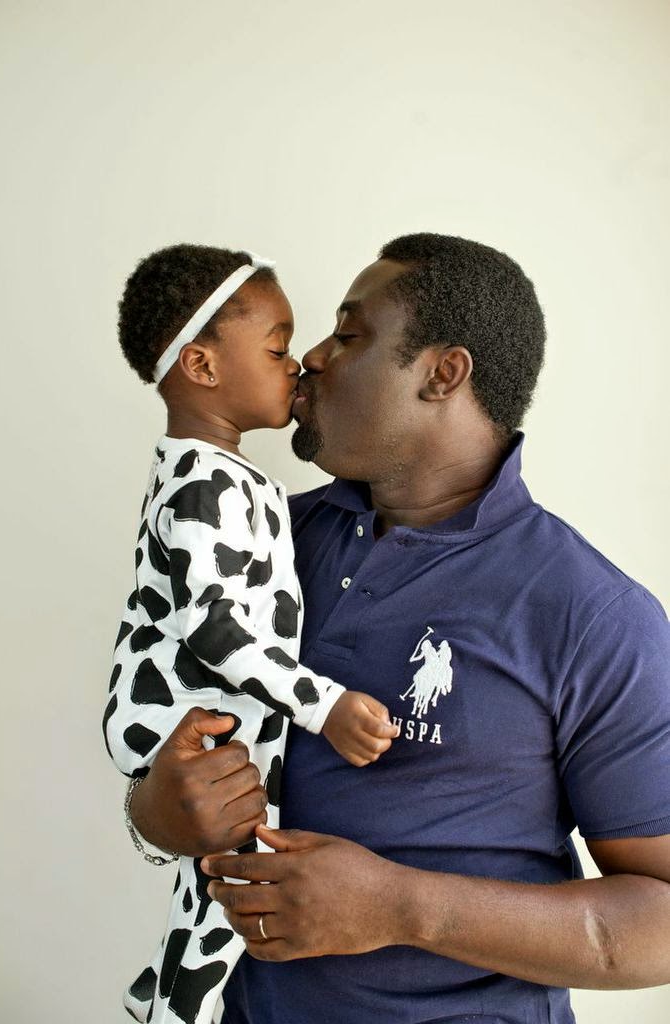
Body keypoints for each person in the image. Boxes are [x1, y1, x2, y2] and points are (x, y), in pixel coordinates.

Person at [111, 234, 670, 1024]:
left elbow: (661, 923)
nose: (311, 357)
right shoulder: (257, 540)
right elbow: (164, 728)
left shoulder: (590, 612)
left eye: (349, 335)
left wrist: (404, 908)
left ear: (443, 373)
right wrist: (153, 816)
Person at [103, 244, 398, 1024]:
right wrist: (322, 704)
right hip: (194, 712)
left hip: (228, 710)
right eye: (276, 348)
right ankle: (178, 1006)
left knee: (222, 884)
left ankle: (162, 989)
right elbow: (215, 629)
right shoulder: (200, 485)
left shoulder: (226, 475)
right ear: (202, 365)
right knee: (237, 882)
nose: (296, 364)